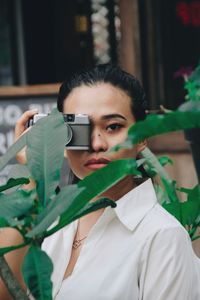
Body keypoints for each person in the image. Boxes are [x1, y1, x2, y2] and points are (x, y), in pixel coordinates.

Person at [1, 64, 200, 300]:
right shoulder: (56, 225)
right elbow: (7, 293)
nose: (96, 144)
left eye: (113, 127)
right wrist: (32, 171)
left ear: (142, 137)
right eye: (80, 129)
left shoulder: (162, 236)